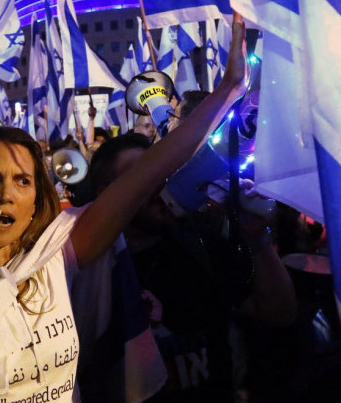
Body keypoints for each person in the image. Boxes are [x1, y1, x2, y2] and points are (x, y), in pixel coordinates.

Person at [0, 15, 248, 403]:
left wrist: (228, 89)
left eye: (22, 181)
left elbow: (148, 172)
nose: (5, 195)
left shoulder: (58, 254)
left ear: (38, 197)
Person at [86, 133, 296, 402]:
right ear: (107, 192)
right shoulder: (88, 269)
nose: (158, 184)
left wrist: (257, 239)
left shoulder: (200, 244)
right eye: (140, 176)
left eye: (161, 170)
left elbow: (279, 312)